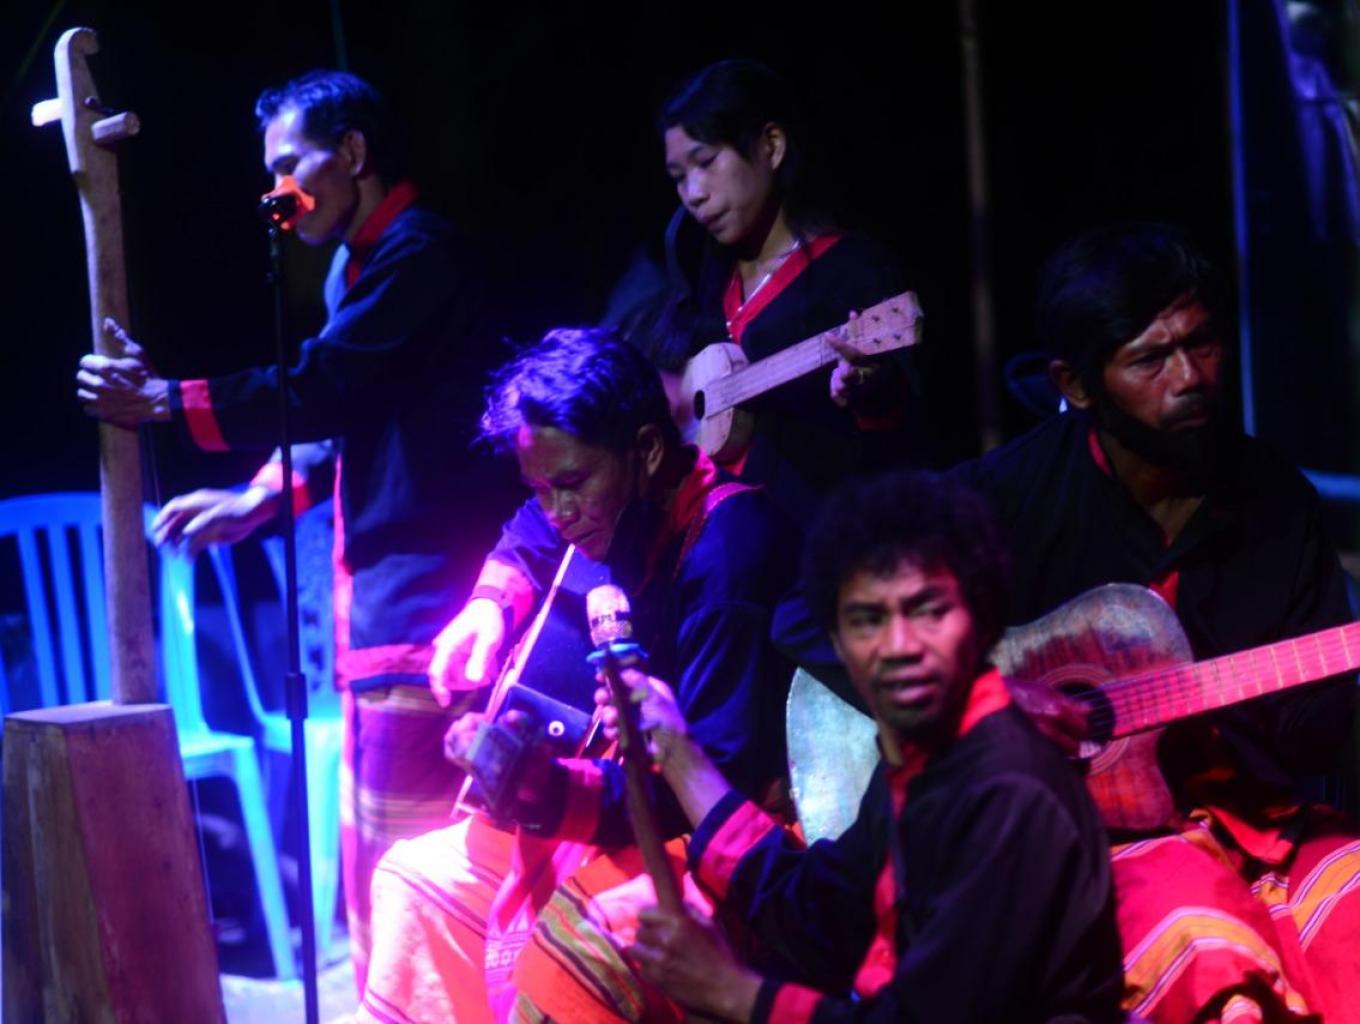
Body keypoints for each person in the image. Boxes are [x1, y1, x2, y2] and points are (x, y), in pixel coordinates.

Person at [74, 69, 513, 987]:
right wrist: (257, 501)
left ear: (352, 152)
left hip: (427, 604)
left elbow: (324, 386)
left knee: (419, 879)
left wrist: (165, 401)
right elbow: (349, 422)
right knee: (380, 875)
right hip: (381, 608)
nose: (278, 189)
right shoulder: (359, 266)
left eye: (290, 165)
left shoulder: (420, 257)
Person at [952, 223, 1360, 1023]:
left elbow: (1309, 736)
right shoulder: (1006, 497)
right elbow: (812, 610)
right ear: (1077, 384)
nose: (1191, 378)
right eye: (1150, 360)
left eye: (1202, 343)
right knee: (1213, 967)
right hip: (1088, 848)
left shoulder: (1275, 498)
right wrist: (988, 704)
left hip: (1254, 822)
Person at [359, 328, 802, 1023]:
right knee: (413, 880)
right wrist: (487, 606)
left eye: (570, 486)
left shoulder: (725, 553)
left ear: (647, 451)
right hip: (618, 801)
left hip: (716, 834)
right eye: (541, 489)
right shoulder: (614, 502)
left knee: (572, 946)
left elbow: (715, 777)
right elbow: (531, 528)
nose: (558, 514)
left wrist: (550, 789)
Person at [611, 470, 1123, 1023]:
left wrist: (730, 991)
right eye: (867, 620)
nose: (899, 645)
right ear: (835, 642)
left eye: (928, 611)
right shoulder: (921, 763)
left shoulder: (1008, 791)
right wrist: (677, 753)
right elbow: (820, 916)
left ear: (981, 620)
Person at [650, 59, 927, 522]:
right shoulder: (706, 275)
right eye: (679, 177)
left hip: (827, 536)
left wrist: (873, 391)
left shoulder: (851, 270)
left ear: (772, 146)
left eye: (707, 161)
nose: (694, 193)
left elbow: (905, 435)